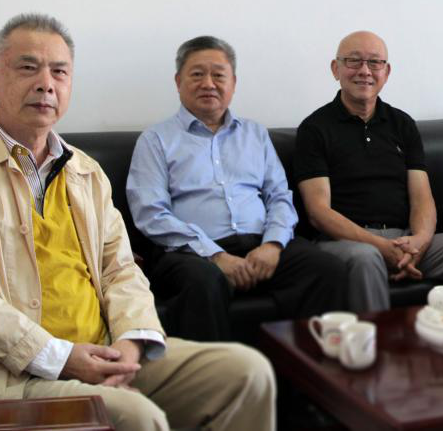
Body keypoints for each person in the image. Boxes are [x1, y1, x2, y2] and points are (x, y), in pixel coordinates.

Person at [0, 14, 274, 431]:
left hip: (102, 351)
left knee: (247, 373)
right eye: (28, 67)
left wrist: (132, 341)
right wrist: (58, 356)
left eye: (59, 72)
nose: (46, 84)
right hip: (8, 375)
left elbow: (120, 269)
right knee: (136, 416)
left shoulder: (86, 171)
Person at [126, 36, 349, 341]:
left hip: (261, 243)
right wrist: (215, 255)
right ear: (178, 82)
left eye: (218, 75)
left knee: (327, 270)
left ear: (233, 83)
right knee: (203, 281)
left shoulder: (255, 134)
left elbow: (279, 197)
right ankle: (219, 371)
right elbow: (151, 213)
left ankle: (305, 369)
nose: (208, 83)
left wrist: (273, 244)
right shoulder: (155, 140)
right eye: (197, 74)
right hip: (191, 253)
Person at [295, 30, 443, 313]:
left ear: (386, 72)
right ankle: (375, 340)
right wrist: (379, 246)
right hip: (345, 243)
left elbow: (422, 198)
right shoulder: (315, 129)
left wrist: (420, 242)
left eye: (374, 62)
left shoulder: (402, 124)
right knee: (365, 258)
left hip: (404, 240)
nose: (365, 71)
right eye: (353, 61)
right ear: (335, 69)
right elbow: (318, 212)